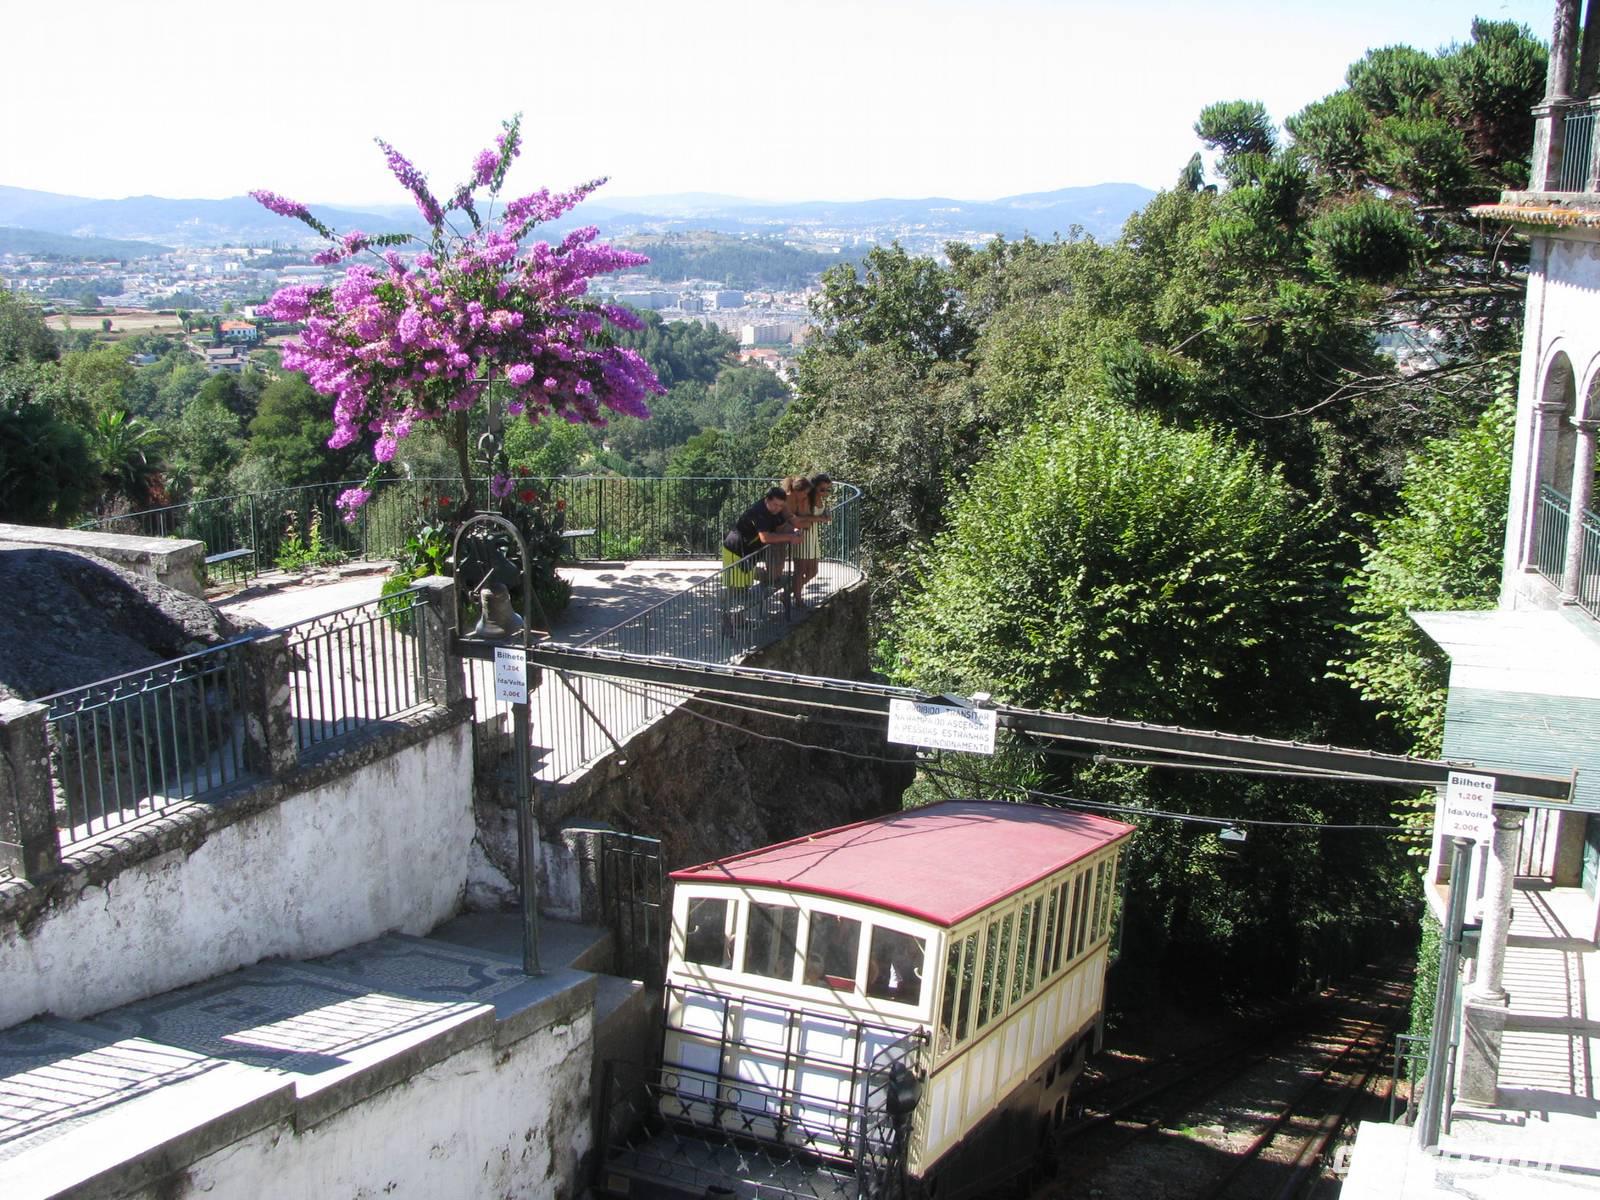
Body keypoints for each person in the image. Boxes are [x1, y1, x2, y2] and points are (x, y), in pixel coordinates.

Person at [721, 485, 800, 632]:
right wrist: (790, 537)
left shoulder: (775, 510)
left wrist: (794, 531)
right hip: (735, 549)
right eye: (775, 504)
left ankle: (738, 621)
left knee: (744, 587)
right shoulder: (759, 512)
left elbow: (783, 525)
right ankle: (726, 620)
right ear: (767, 500)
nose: (777, 508)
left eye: (781, 506)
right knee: (735, 588)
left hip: (749, 551)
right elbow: (766, 537)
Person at [786, 473, 833, 606]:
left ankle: (788, 593)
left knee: (813, 571)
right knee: (800, 571)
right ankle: (798, 599)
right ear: (814, 487)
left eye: (828, 489)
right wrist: (819, 519)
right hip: (803, 535)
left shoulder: (818, 499)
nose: (825, 492)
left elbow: (817, 515)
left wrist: (824, 516)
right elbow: (797, 517)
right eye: (822, 489)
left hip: (813, 537)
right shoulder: (806, 499)